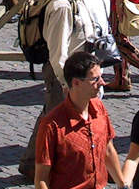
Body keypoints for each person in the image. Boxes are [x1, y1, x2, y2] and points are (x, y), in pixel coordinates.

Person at [18, 0, 96, 178]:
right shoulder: (62, 6)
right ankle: (34, 164)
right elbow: (58, 51)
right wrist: (66, 83)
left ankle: (36, 162)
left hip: (73, 73)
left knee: (52, 117)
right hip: (63, 74)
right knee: (52, 120)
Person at [34, 52, 126, 189]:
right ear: (76, 82)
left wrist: (122, 185)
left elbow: (108, 150)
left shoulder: (99, 108)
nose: (102, 83)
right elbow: (41, 178)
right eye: (95, 79)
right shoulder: (51, 125)